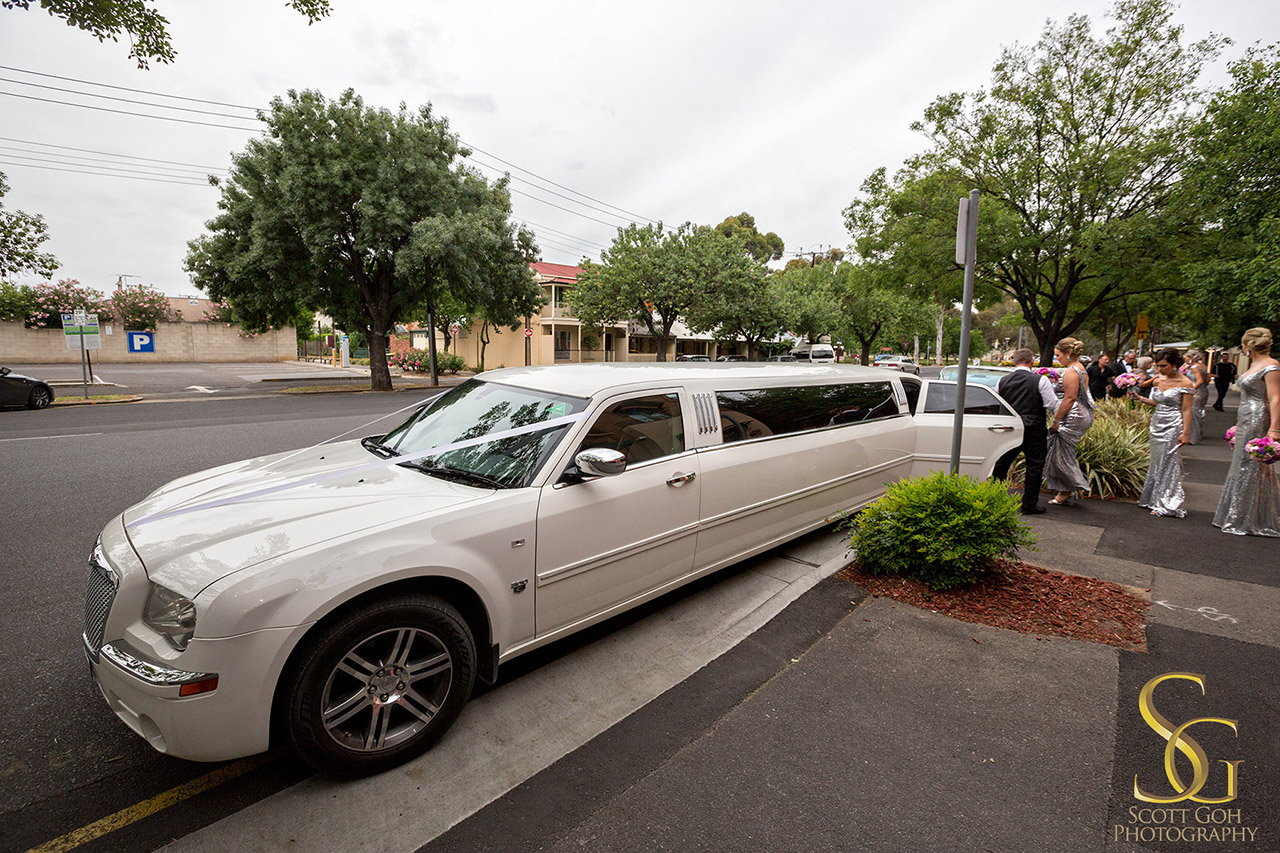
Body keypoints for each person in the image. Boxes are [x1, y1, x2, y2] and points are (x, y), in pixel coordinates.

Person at [1213, 327, 1280, 537]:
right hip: (1245, 416)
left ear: (1247, 344)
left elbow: (1276, 398)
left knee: (1249, 464)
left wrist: (1274, 428)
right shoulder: (1255, 364)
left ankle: (1244, 517)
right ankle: (1235, 513)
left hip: (1259, 416)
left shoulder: (1272, 365)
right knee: (1240, 463)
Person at [1129, 348, 1195, 517]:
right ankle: (1152, 498)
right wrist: (1140, 399)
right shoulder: (1158, 379)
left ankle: (1168, 502)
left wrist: (1185, 432)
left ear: (1174, 364)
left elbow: (1187, 409)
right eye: (1158, 366)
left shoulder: (1186, 383)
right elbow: (1157, 402)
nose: (1159, 369)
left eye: (1164, 366)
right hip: (1157, 423)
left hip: (1173, 424)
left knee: (1168, 461)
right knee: (1157, 460)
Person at [993, 349, 1058, 515]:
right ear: (1032, 362)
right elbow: (1051, 404)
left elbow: (997, 402)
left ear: (1014, 362)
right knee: (1035, 466)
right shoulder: (1040, 380)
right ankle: (1029, 504)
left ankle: (994, 498)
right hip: (1034, 427)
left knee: (1002, 463)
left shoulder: (1002, 381)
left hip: (1010, 427)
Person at [1045, 337, 1094, 505]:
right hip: (1077, 414)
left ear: (1068, 353)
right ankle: (1067, 489)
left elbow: (1070, 397)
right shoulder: (1079, 369)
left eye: (1058, 355)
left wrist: (1056, 420)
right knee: (1062, 452)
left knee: (1062, 454)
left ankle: (1067, 489)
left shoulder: (1072, 371)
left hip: (1071, 416)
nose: (1056, 358)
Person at [1183, 349, 1210, 444]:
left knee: (1193, 414)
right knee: (1200, 412)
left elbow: (1199, 381)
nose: (1185, 360)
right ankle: (1198, 434)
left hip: (1196, 392)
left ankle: (1193, 438)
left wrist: (1192, 389)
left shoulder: (1194, 367)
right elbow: (1207, 379)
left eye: (1186, 358)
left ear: (1191, 358)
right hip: (1203, 391)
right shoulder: (1202, 366)